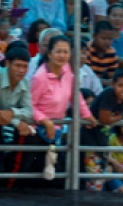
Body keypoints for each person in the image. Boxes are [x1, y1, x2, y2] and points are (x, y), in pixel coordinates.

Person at [31, 34, 97, 184]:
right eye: (58, 51)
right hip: (37, 133)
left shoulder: (67, 71)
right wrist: (45, 121)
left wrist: (87, 115)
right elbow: (30, 106)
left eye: (65, 52)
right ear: (49, 53)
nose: (62, 55)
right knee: (35, 173)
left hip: (56, 132)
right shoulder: (40, 77)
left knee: (54, 175)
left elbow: (76, 96)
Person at [0, 44, 35, 179]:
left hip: (6, 130)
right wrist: (16, 121)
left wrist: (11, 113)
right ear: (7, 63)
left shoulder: (25, 82)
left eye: (25, 66)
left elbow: (29, 112)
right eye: (18, 65)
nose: (21, 70)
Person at [86, 20, 118, 87]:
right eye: (103, 38)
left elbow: (112, 76)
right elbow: (87, 75)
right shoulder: (87, 50)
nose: (107, 42)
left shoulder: (111, 52)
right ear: (94, 36)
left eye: (110, 39)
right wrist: (105, 82)